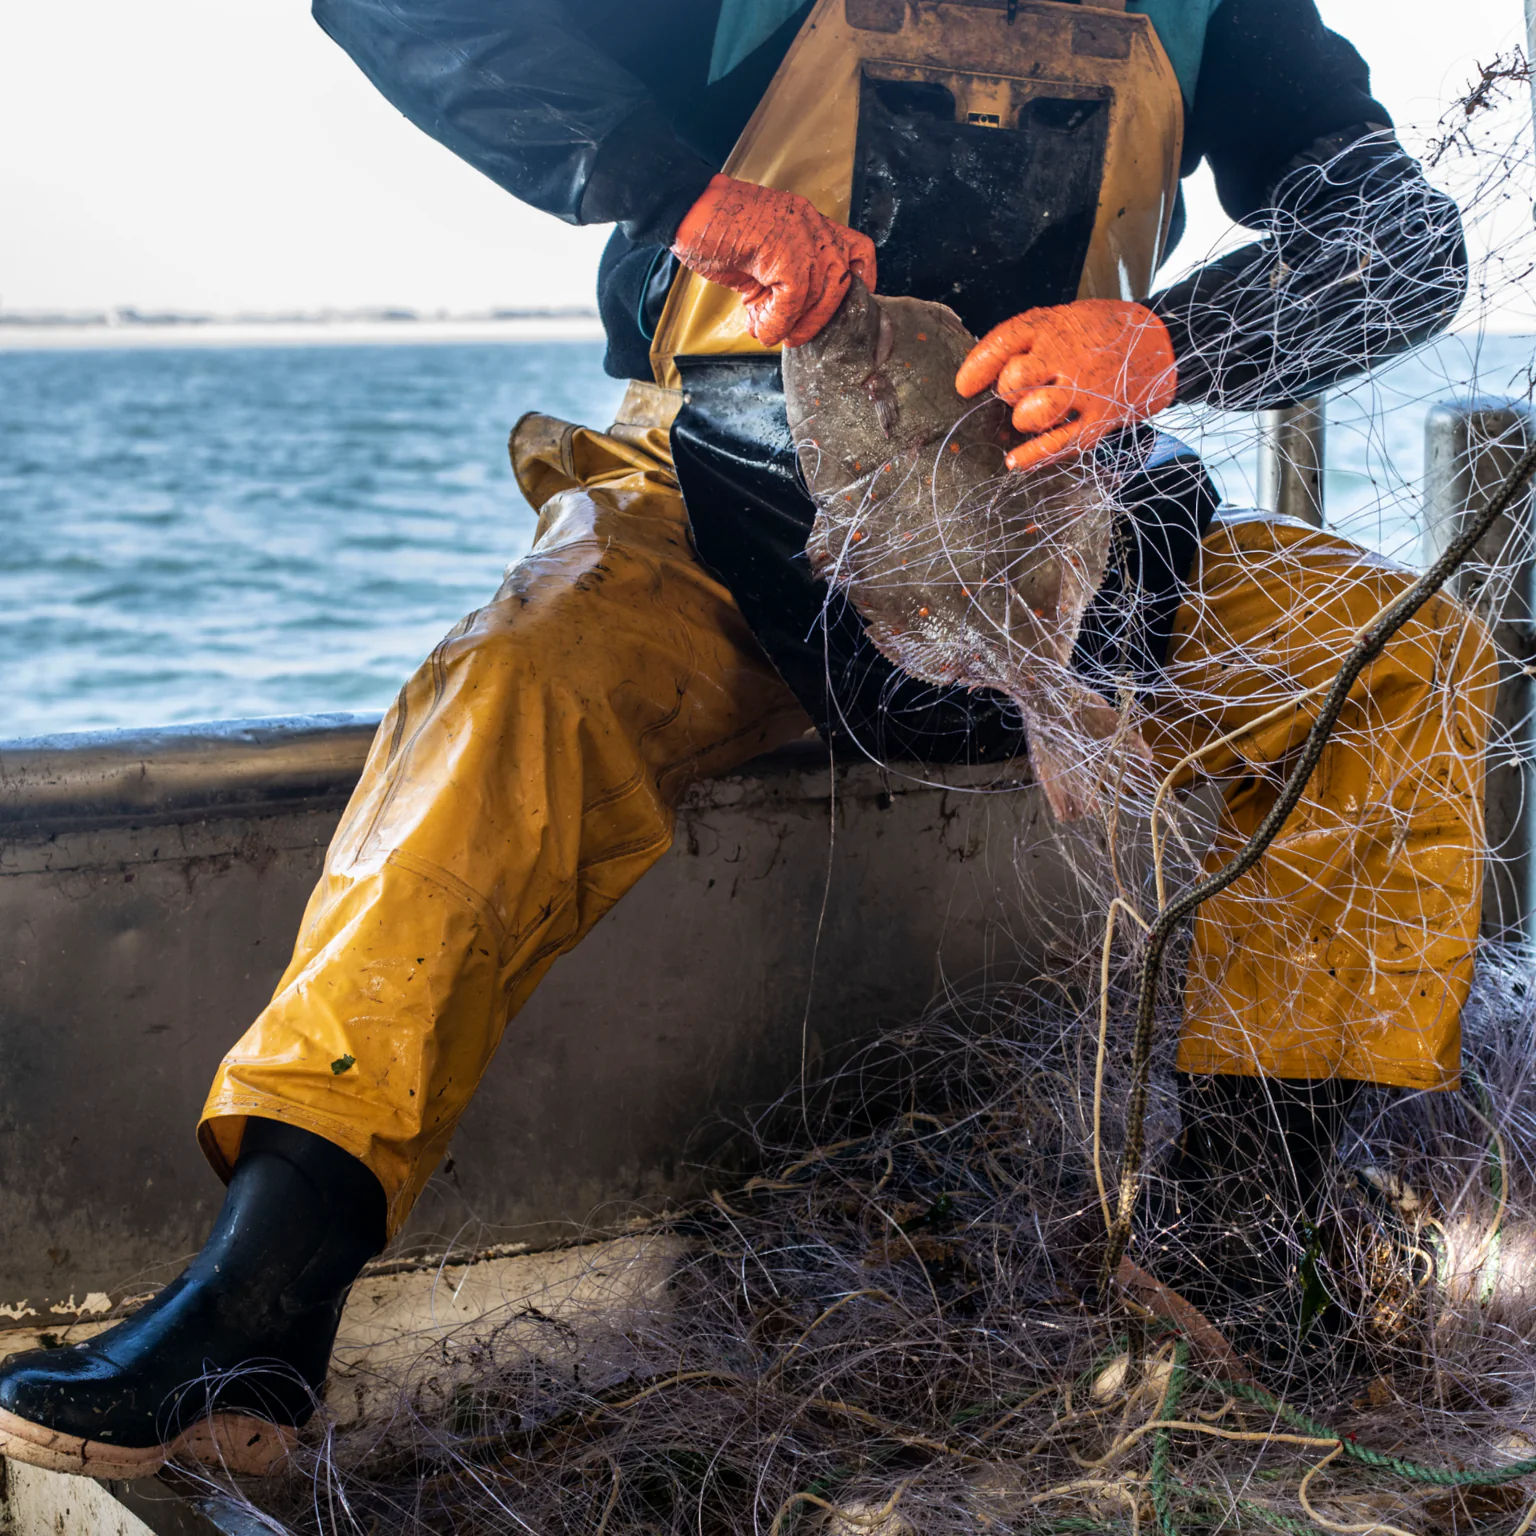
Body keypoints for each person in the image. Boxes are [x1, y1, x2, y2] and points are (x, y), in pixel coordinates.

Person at [0, 0, 1492, 1477]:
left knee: (1408, 662)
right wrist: (685, 191)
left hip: (1061, 543)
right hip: (718, 510)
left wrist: (1173, 339)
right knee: (515, 692)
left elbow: (1408, 242)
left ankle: (1239, 1254)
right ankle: (263, 1295)